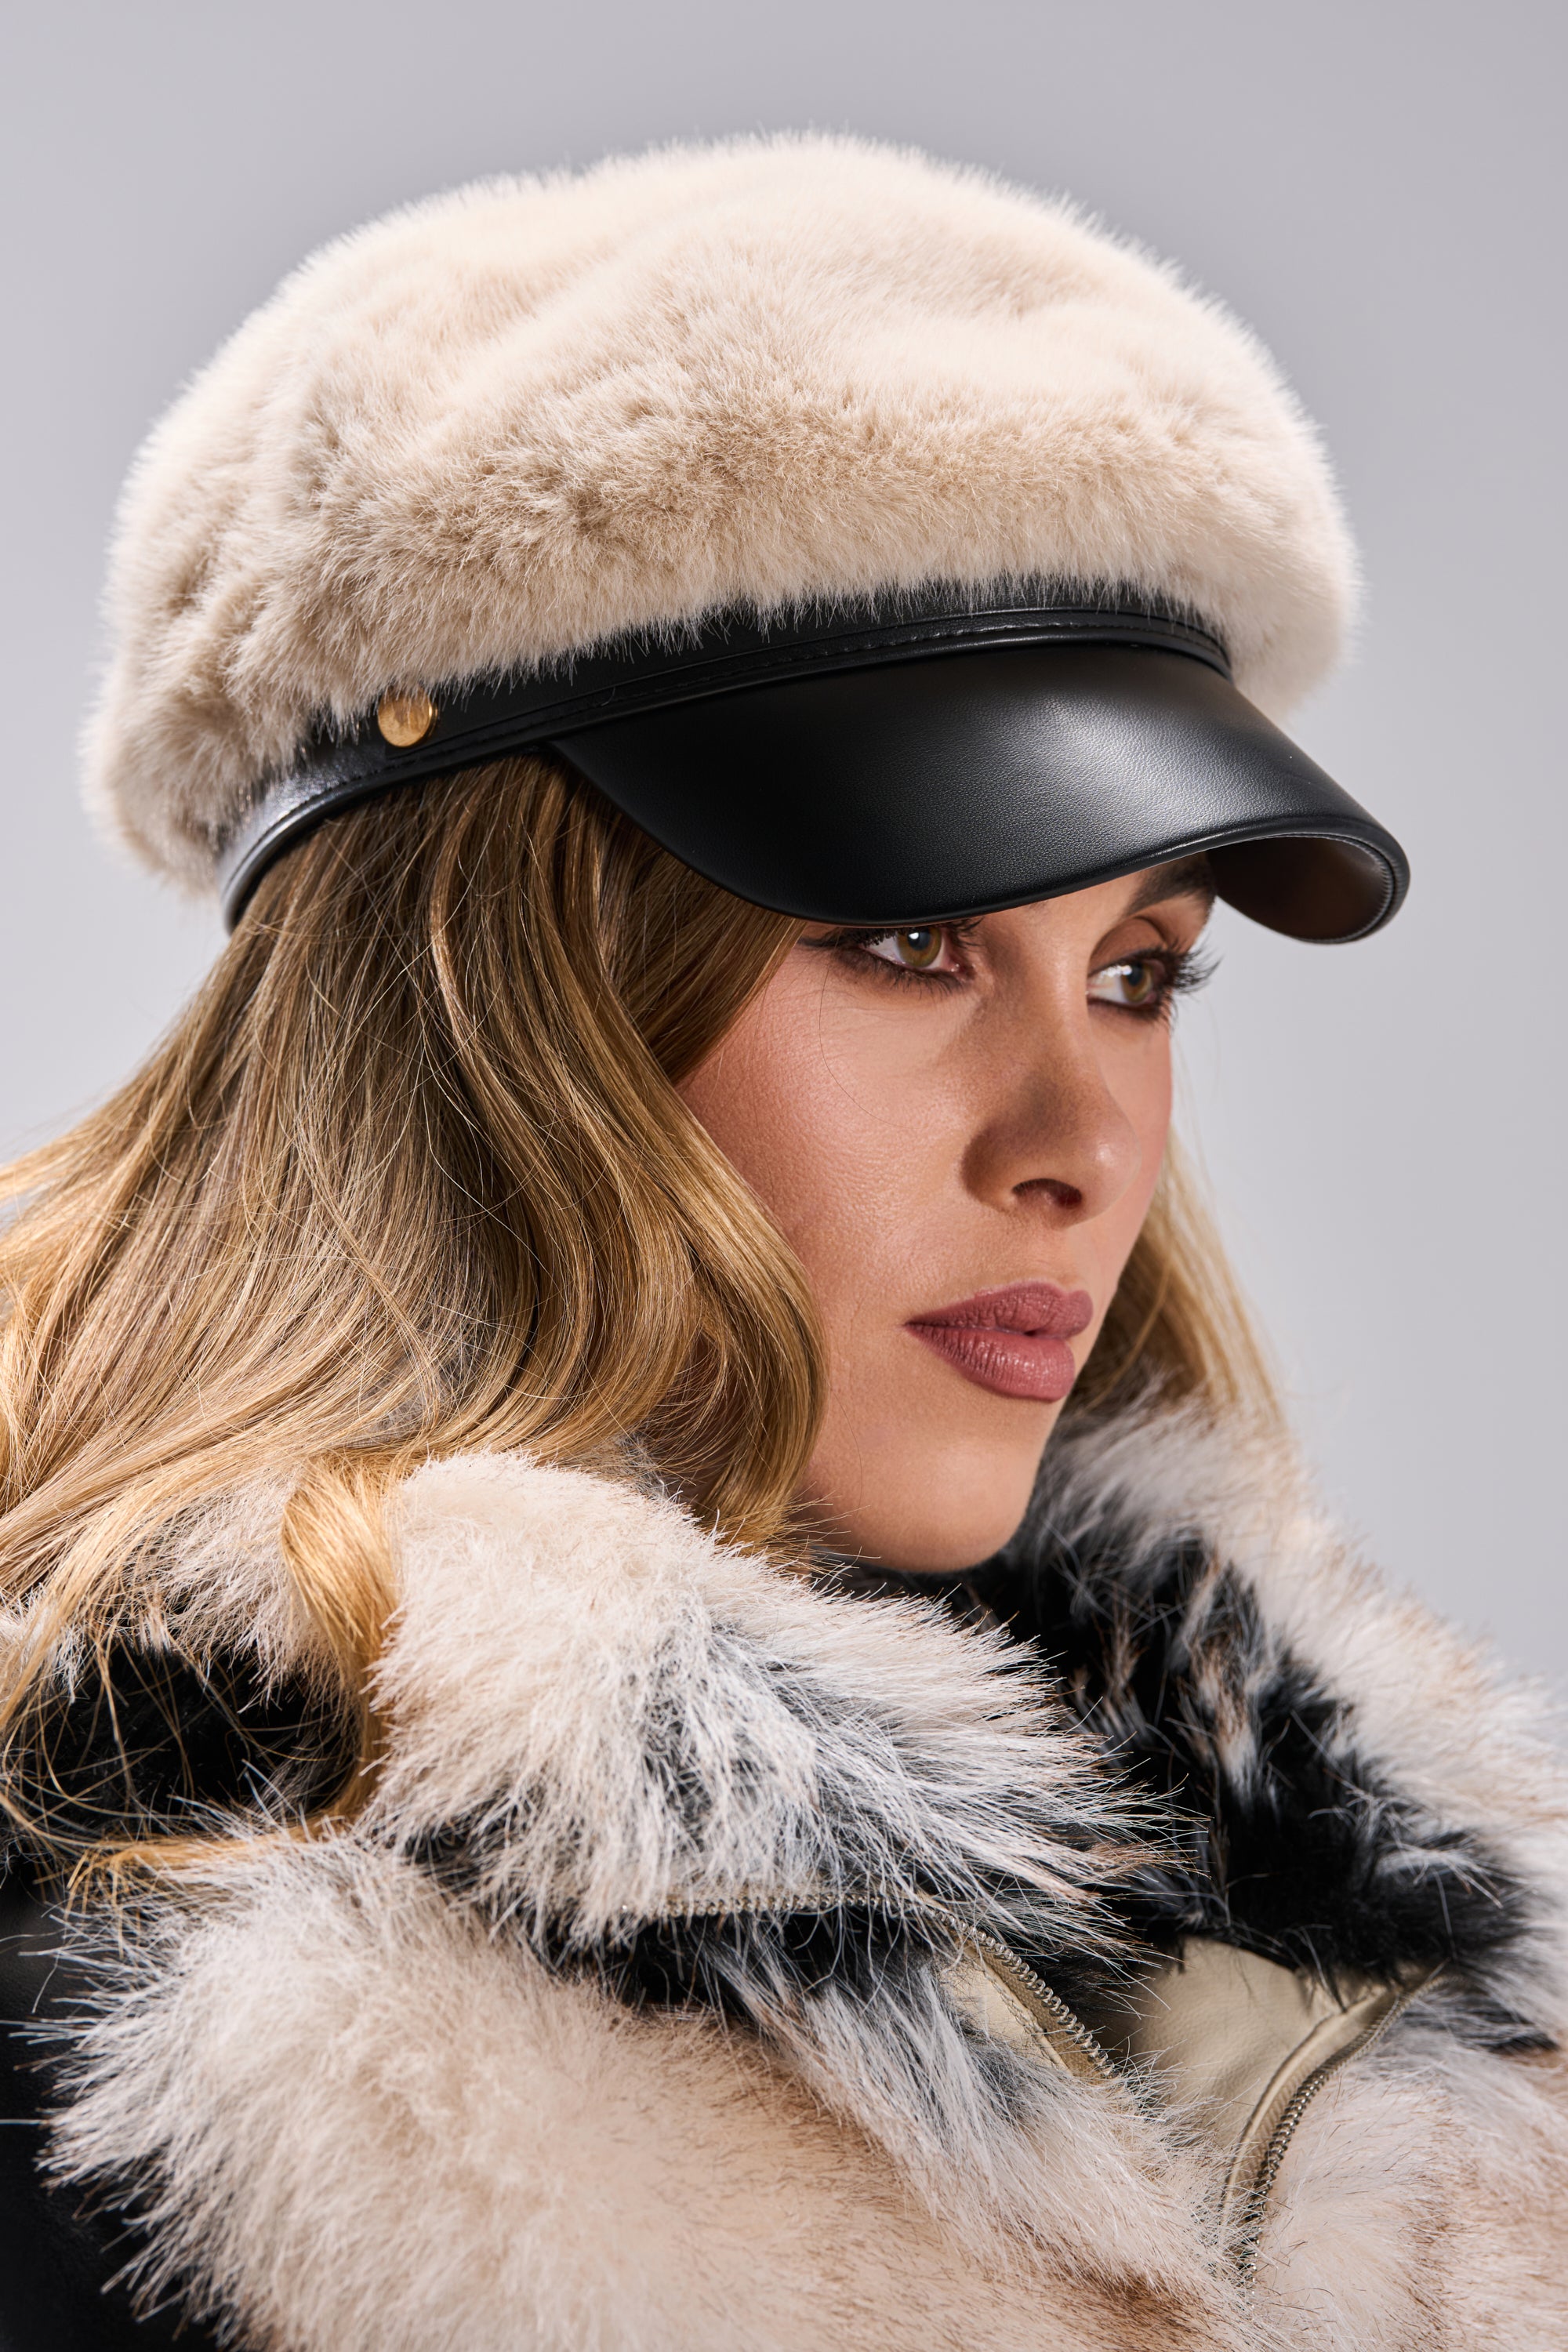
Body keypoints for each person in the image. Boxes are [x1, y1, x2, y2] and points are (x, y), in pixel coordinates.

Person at [1, 133, 1563, 2351]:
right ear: (483, 995)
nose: (1078, 1143)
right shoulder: (134, 2014)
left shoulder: (1370, 1924)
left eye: (1141, 969)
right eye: (911, 940)